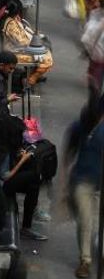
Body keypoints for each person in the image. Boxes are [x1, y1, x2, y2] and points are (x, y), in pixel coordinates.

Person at [65, 95, 104, 278]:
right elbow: (69, 153)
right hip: (83, 180)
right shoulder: (80, 127)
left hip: (97, 182)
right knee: (86, 220)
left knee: (93, 222)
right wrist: (65, 183)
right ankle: (85, 260)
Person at [0, 0, 53, 86]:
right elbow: (21, 42)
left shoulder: (12, 19)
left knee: (46, 49)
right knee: (47, 59)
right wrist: (36, 41)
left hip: (18, 48)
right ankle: (31, 78)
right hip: (15, 52)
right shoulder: (11, 25)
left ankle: (29, 75)